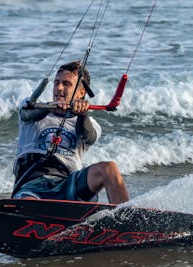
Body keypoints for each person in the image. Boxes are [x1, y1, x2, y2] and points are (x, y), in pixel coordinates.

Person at [12, 61, 129, 204]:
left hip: (69, 185)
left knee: (109, 169)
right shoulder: (31, 106)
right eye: (56, 83)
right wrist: (49, 108)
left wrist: (82, 115)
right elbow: (27, 114)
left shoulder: (92, 124)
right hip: (32, 186)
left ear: (81, 92)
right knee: (29, 203)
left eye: (66, 84)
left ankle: (125, 217)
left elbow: (87, 136)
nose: (59, 88)